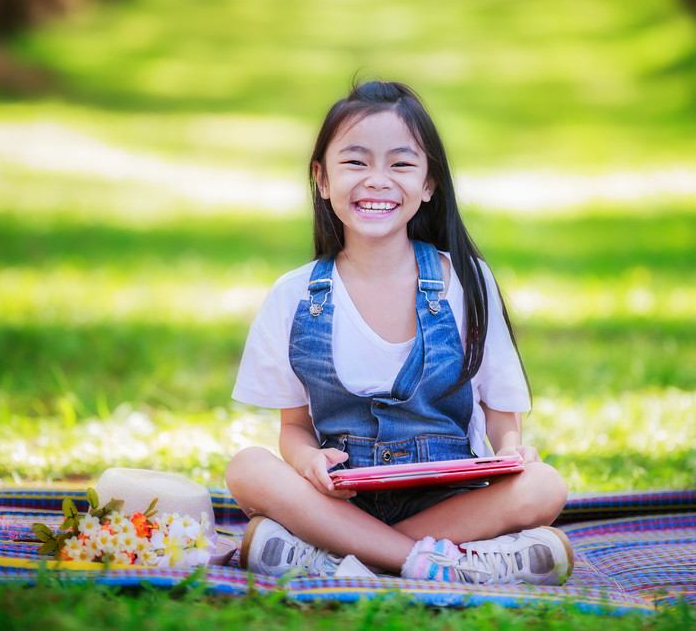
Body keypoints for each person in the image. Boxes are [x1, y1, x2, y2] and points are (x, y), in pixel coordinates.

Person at [225, 80, 571, 585]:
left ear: (429, 184)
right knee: (247, 468)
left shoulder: (465, 280)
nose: (378, 180)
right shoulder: (294, 295)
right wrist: (307, 462)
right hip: (343, 497)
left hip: (449, 498)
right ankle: (442, 562)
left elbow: (502, 413)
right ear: (321, 178)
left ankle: (335, 557)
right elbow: (294, 428)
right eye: (356, 162)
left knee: (544, 486)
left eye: (401, 164)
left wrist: (509, 453)